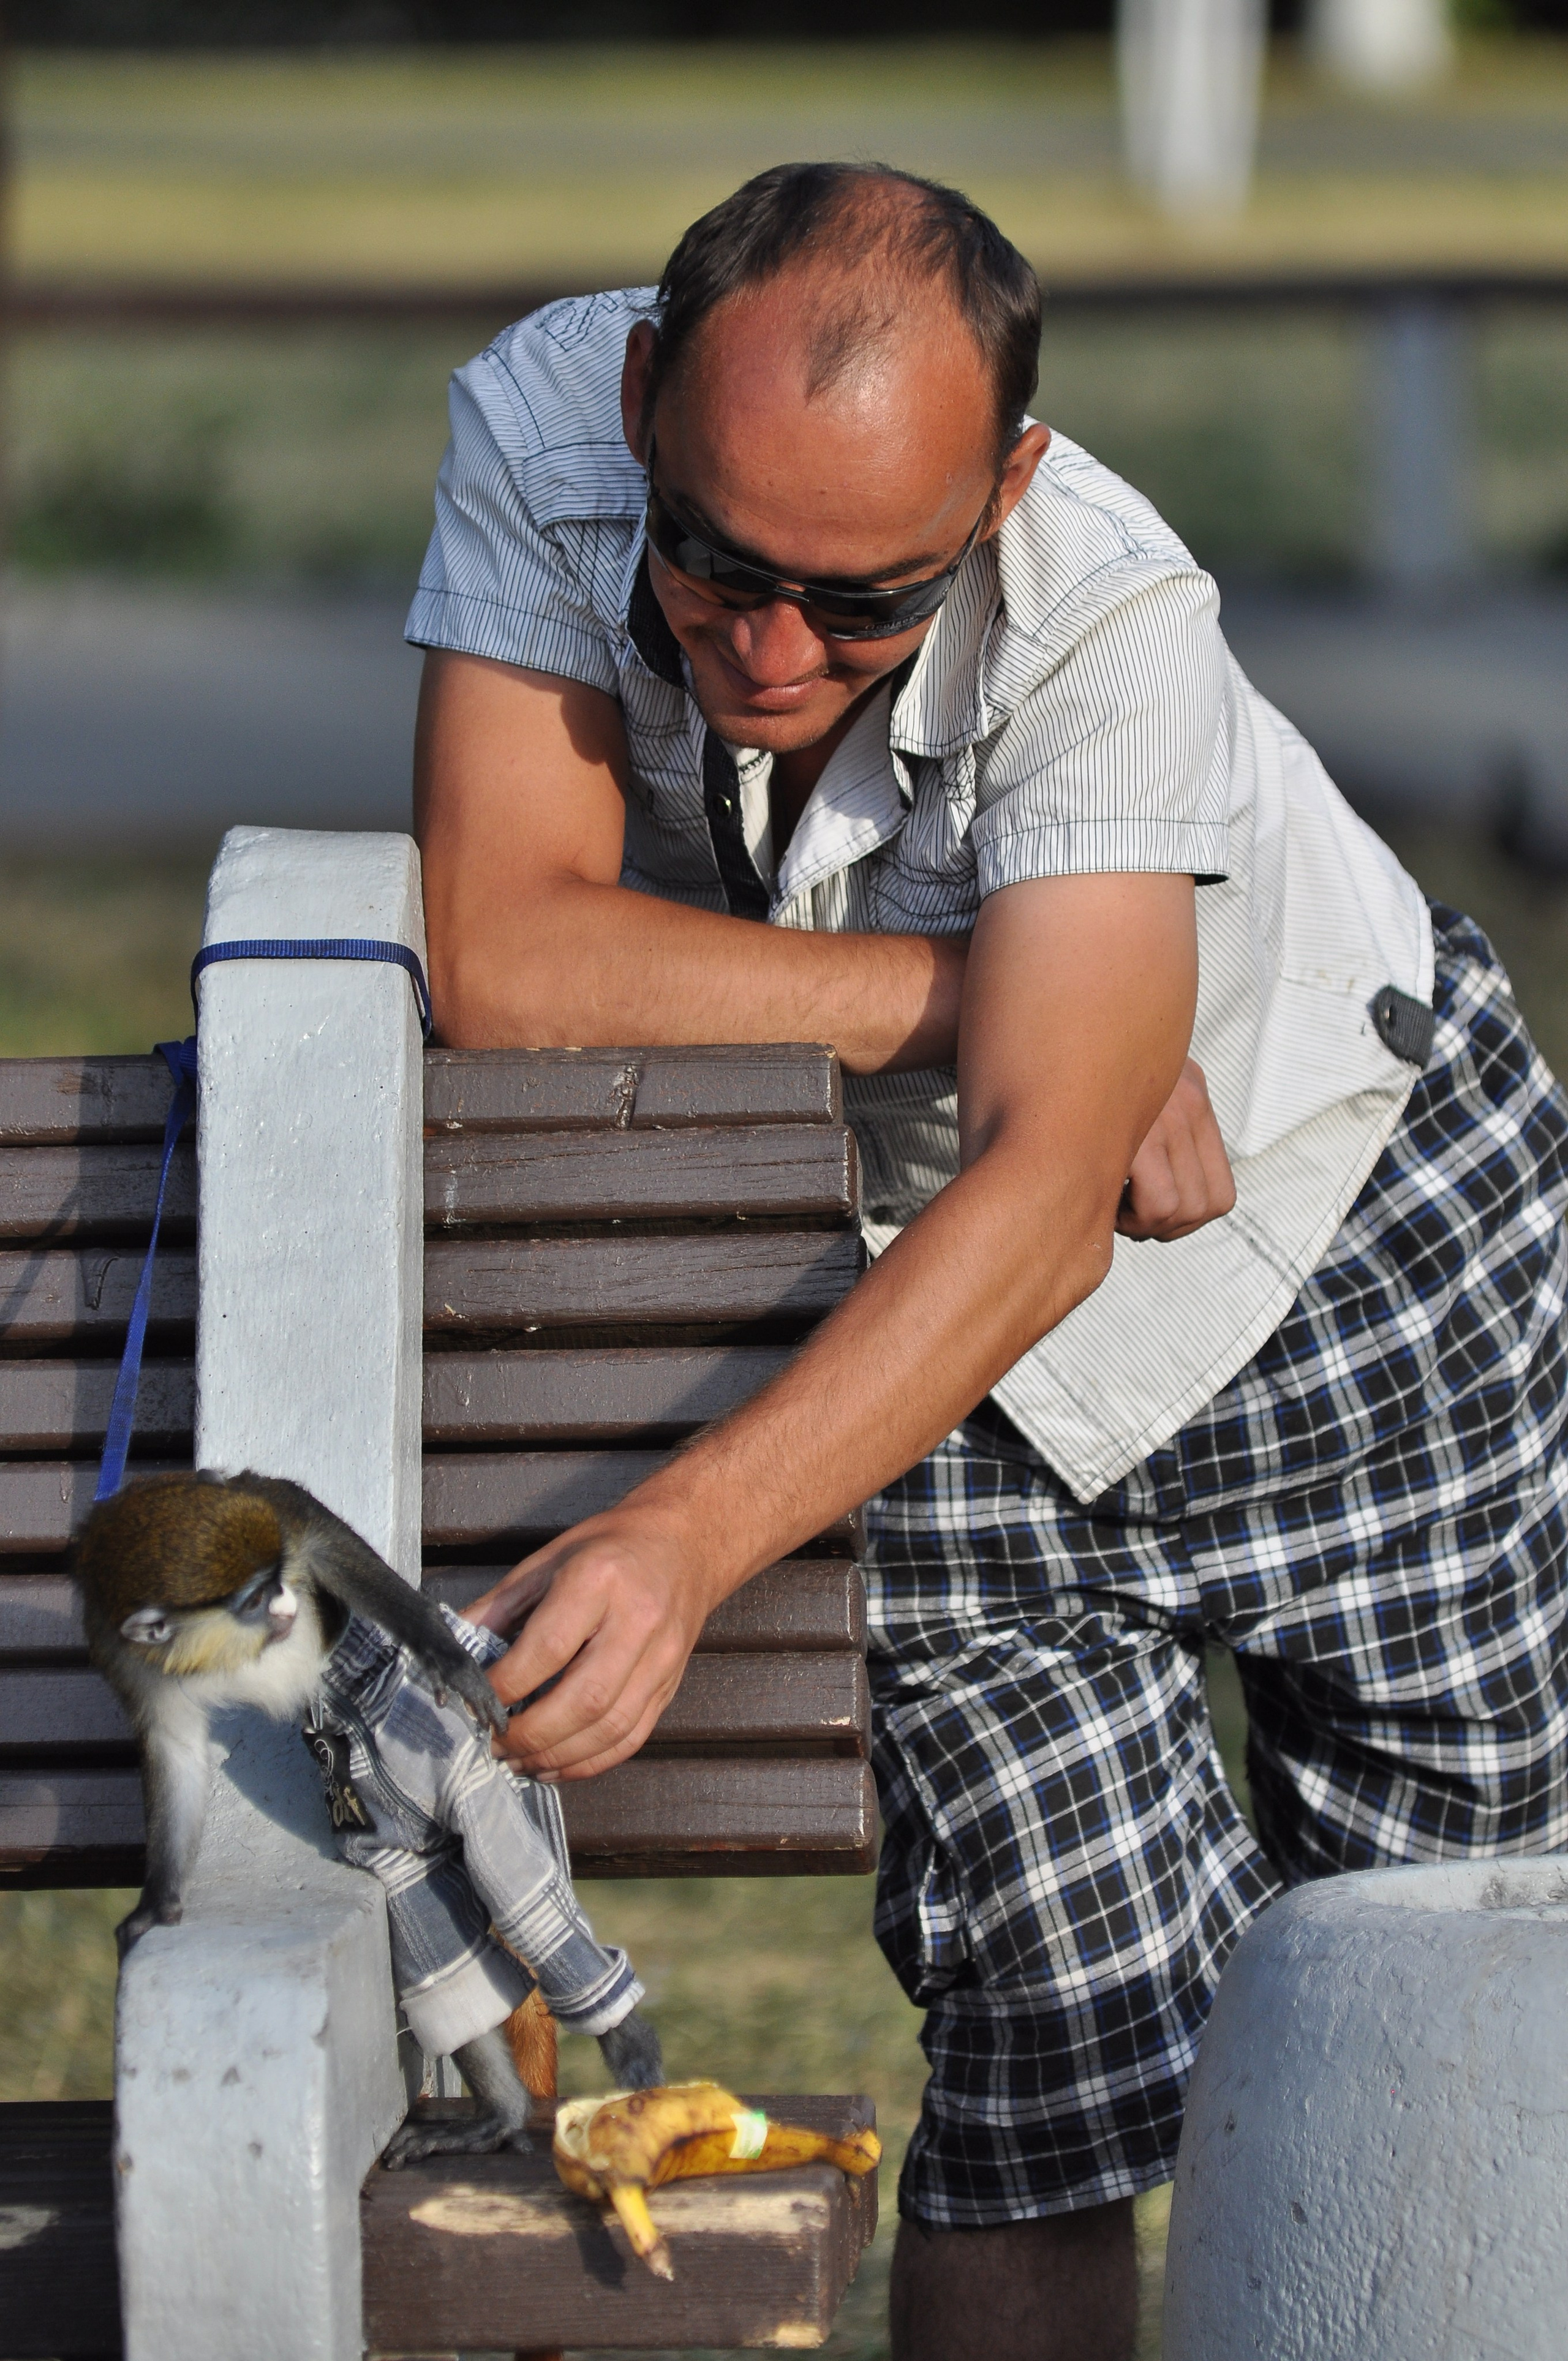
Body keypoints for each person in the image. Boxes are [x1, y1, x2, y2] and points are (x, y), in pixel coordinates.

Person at [406, 163, 1568, 2361]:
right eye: (710, 563)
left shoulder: (1113, 613)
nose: (767, 652)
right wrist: (994, 1003)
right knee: (1050, 2049)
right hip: (934, 1301)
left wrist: (681, 1539)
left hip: (1337, 1249)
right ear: (651, 401)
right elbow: (510, 949)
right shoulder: (548, 427)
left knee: (1446, 2002)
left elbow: (1057, 1199)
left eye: (864, 609)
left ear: (1004, 487)